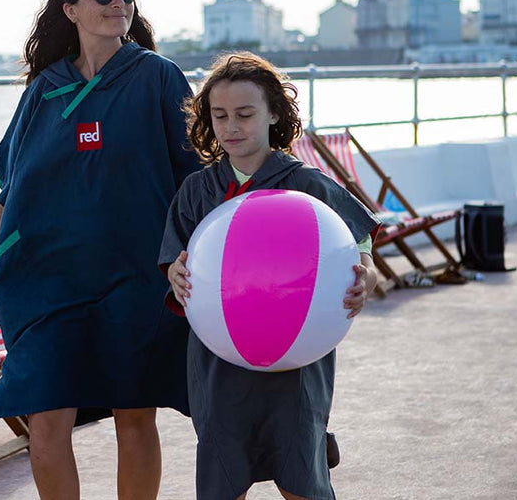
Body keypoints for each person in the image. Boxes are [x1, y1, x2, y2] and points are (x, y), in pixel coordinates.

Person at [0, 0, 201, 500]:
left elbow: (198, 177)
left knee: (134, 414)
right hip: (44, 280)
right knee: (46, 421)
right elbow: (13, 183)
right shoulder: (43, 90)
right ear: (71, 10)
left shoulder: (159, 78)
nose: (118, 0)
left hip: (137, 274)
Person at [159, 51, 381, 500]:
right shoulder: (196, 190)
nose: (232, 127)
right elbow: (175, 260)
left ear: (273, 113)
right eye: (219, 116)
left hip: (298, 363)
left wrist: (368, 277)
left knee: (301, 474)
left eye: (245, 114)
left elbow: (358, 244)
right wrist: (176, 273)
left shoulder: (308, 184)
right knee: (223, 473)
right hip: (219, 365)